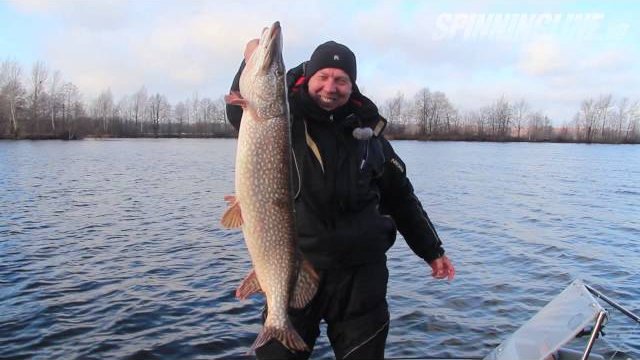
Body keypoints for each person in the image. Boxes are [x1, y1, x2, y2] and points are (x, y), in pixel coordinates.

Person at [226, 40, 455, 360]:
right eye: (323, 76)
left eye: (341, 79)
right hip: (295, 267)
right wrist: (247, 61)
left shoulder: (370, 135)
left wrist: (432, 250)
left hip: (361, 280)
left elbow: (401, 197)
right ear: (308, 78)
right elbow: (240, 114)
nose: (330, 87)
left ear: (352, 85)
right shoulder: (282, 119)